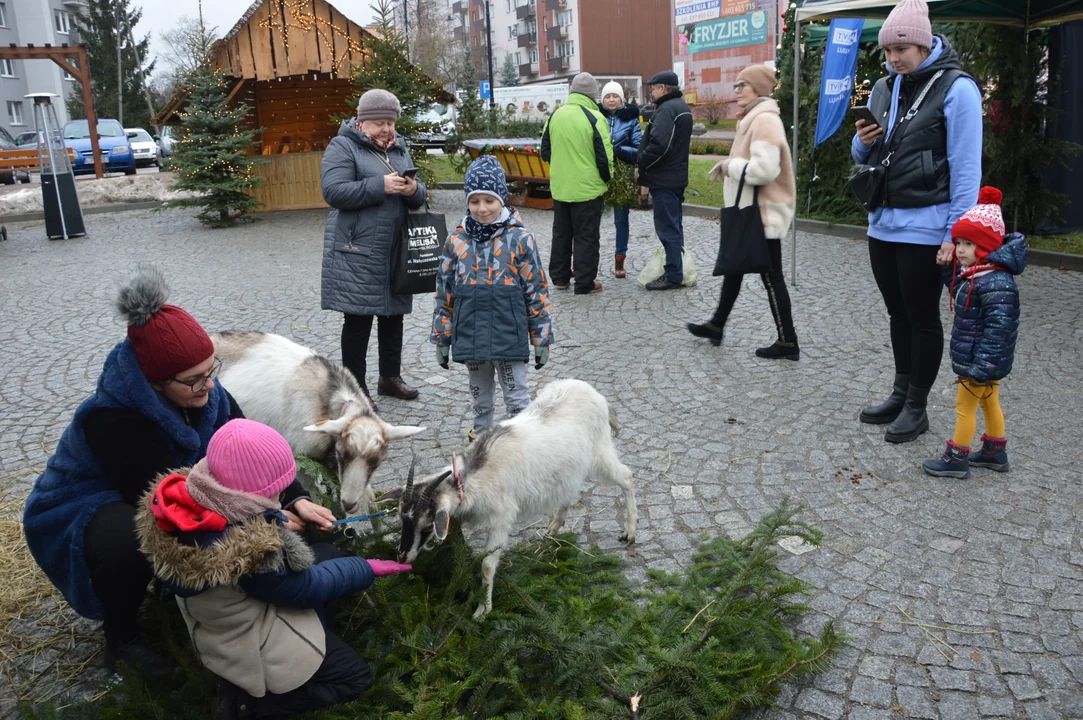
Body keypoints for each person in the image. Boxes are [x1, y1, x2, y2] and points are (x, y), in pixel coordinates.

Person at [22, 267, 333, 681]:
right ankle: (123, 639)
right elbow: (176, 499)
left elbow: (249, 446)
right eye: (194, 380)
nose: (209, 385)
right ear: (153, 383)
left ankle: (193, 592)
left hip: (180, 483)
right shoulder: (112, 421)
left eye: (212, 370)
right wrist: (267, 517)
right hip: (82, 505)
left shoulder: (203, 387)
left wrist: (294, 497)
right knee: (128, 538)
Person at [136, 419, 413, 719]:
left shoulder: (202, 498)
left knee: (328, 554)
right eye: (276, 493)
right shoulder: (249, 553)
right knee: (355, 677)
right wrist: (364, 568)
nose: (282, 499)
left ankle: (318, 639)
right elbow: (306, 588)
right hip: (252, 642)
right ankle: (255, 706)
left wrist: (271, 515)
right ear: (248, 496)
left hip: (229, 614)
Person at [851, 0, 983, 443]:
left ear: (924, 43)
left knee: (922, 316)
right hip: (882, 221)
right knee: (896, 313)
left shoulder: (957, 88)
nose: (894, 57)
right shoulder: (885, 88)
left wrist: (956, 234)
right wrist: (860, 141)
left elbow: (967, 170)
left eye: (902, 47)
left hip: (927, 226)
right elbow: (868, 156)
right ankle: (900, 389)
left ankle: (917, 406)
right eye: (888, 49)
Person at [432, 156, 554, 442]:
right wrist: (442, 337)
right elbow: (445, 291)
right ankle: (481, 446)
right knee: (480, 398)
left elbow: (536, 289)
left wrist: (541, 338)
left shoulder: (521, 239)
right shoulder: (456, 241)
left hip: (508, 331)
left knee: (517, 396)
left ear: (502, 199)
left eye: (489, 200)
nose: (482, 208)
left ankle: (525, 448)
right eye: (475, 201)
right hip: (470, 332)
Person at [321, 88, 428, 403]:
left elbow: (420, 195)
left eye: (390, 123)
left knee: (394, 316)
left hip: (395, 246)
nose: (386, 129)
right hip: (358, 248)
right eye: (379, 122)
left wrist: (413, 190)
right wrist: (378, 186)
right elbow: (333, 191)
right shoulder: (343, 146)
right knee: (358, 319)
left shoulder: (398, 149)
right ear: (362, 121)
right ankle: (355, 387)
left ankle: (389, 378)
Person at [688, 65, 799, 360]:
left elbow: (764, 170)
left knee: (772, 277)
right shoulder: (753, 118)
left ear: (758, 88)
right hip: (752, 210)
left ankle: (788, 342)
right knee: (735, 270)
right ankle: (717, 324)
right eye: (736, 85)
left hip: (763, 212)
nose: (736, 90)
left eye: (742, 85)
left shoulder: (764, 121)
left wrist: (729, 166)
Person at [922, 188, 1025, 479]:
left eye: (968, 244)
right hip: (982, 360)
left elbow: (999, 329)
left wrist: (982, 365)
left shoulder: (996, 283)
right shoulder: (978, 274)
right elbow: (960, 292)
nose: (961, 249)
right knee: (989, 400)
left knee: (964, 406)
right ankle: (995, 451)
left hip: (980, 361)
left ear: (987, 246)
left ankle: (957, 457)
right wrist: (947, 271)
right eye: (959, 242)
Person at [541, 72, 614, 295]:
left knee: (561, 233)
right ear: (594, 95)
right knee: (586, 236)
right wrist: (607, 179)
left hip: (561, 187)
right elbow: (605, 156)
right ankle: (584, 283)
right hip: (588, 189)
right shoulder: (595, 118)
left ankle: (560, 278)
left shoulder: (555, 116)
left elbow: (544, 151)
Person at [637, 70, 693, 291]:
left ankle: (673, 274)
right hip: (675, 176)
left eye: (653, 87)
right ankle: (675, 268)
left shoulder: (667, 109)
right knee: (674, 226)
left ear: (664, 88)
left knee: (667, 228)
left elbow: (660, 146)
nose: (651, 91)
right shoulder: (681, 107)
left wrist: (641, 159)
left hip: (665, 179)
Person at [598, 81, 642, 279]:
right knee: (591, 218)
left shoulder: (631, 120)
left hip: (622, 175)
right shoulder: (596, 117)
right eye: (608, 96)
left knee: (621, 220)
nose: (612, 100)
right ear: (603, 99)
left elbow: (638, 150)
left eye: (615, 96)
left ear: (621, 99)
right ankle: (588, 259)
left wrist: (618, 150)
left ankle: (619, 259)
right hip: (598, 173)